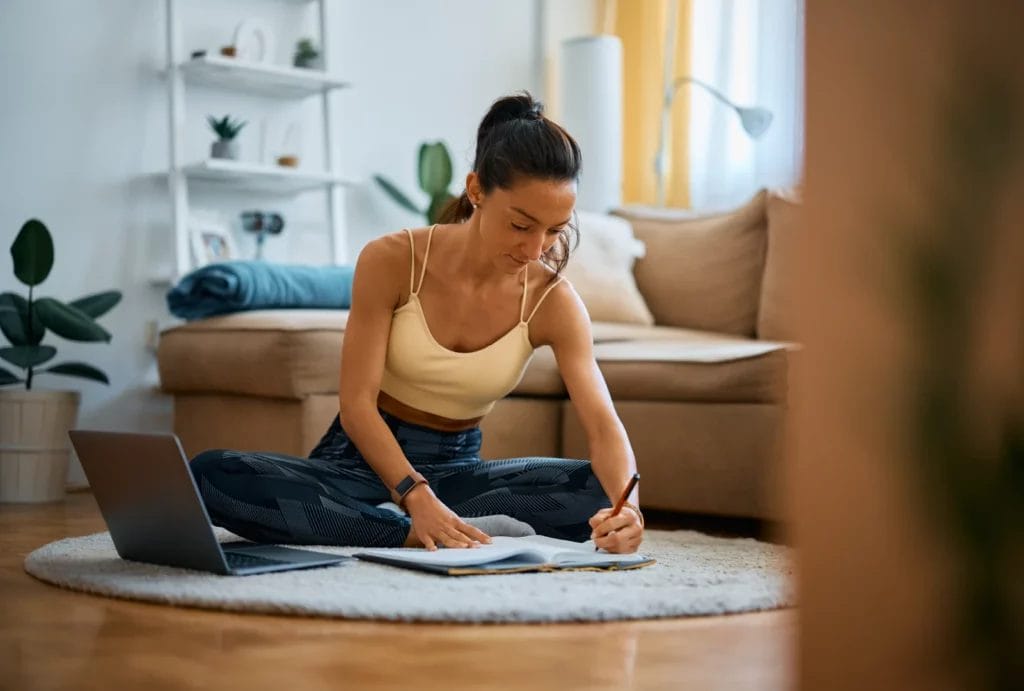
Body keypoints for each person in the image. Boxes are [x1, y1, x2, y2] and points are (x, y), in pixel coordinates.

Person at [189, 92, 645, 554]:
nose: (536, 249)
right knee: (213, 474)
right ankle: (405, 529)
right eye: (521, 225)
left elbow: (605, 426)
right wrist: (413, 494)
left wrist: (629, 509)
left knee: (599, 491)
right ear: (476, 190)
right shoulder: (392, 259)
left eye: (554, 230)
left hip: (458, 476)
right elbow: (357, 406)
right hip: (355, 466)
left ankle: (398, 525)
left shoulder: (554, 301)